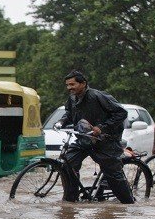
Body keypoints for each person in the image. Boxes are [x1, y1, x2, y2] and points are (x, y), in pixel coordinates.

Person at [54, 70, 135, 204]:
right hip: (84, 139)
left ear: (83, 83)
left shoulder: (97, 96)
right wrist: (61, 122)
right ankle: (70, 201)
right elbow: (69, 113)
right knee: (68, 165)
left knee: (113, 175)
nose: (69, 88)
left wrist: (102, 127)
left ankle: (129, 204)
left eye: (72, 84)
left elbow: (121, 113)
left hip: (105, 141)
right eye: (67, 85)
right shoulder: (72, 98)